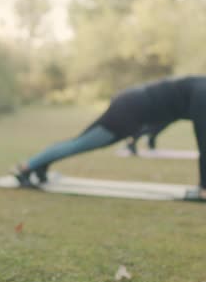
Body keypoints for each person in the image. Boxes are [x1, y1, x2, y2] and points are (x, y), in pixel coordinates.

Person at [12, 76, 206, 200]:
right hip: (131, 109)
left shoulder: (201, 88)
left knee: (81, 141)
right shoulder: (203, 93)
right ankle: (26, 167)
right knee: (83, 143)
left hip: (134, 105)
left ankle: (40, 165)